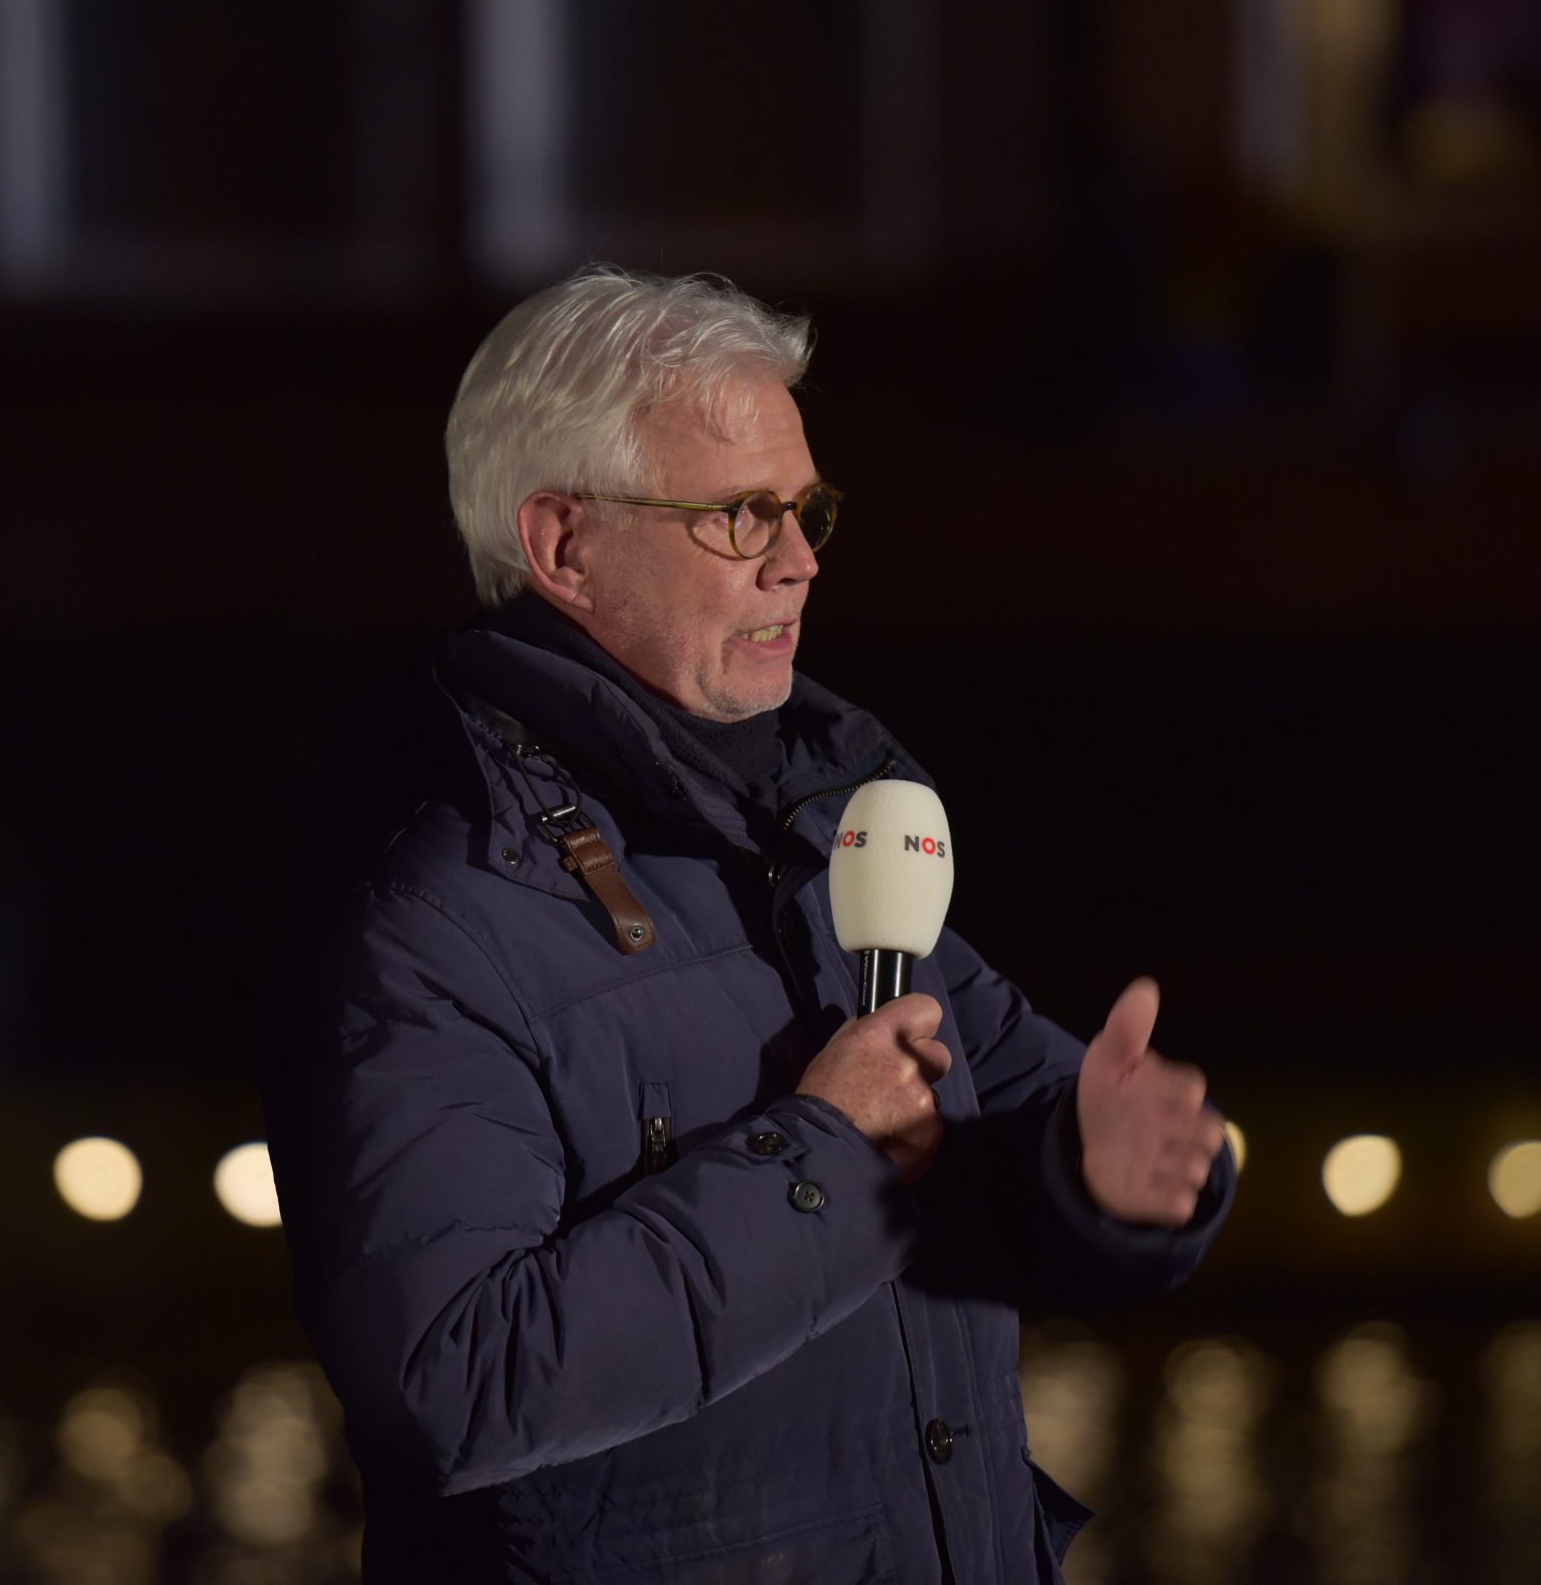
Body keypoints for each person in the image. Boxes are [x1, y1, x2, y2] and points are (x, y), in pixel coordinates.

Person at [264, 267, 1234, 1584]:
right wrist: (823, 1154)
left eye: (806, 508)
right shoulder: (432, 923)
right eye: (740, 515)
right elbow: (455, 1385)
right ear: (563, 547)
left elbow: (996, 1150)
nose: (801, 559)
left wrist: (1107, 1172)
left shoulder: (825, 836)